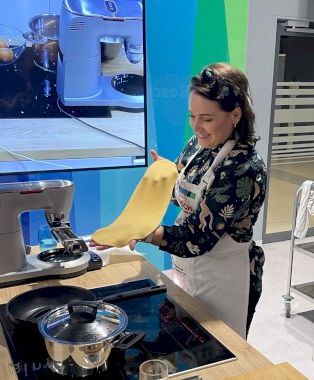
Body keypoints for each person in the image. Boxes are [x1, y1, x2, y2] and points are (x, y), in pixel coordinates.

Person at [97, 63, 267, 339]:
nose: (197, 127)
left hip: (223, 279)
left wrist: (143, 233)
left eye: (207, 119)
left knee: (219, 347)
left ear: (235, 115)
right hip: (187, 269)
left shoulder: (245, 168)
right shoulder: (198, 145)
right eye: (192, 116)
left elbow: (197, 238)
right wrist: (164, 175)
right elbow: (184, 193)